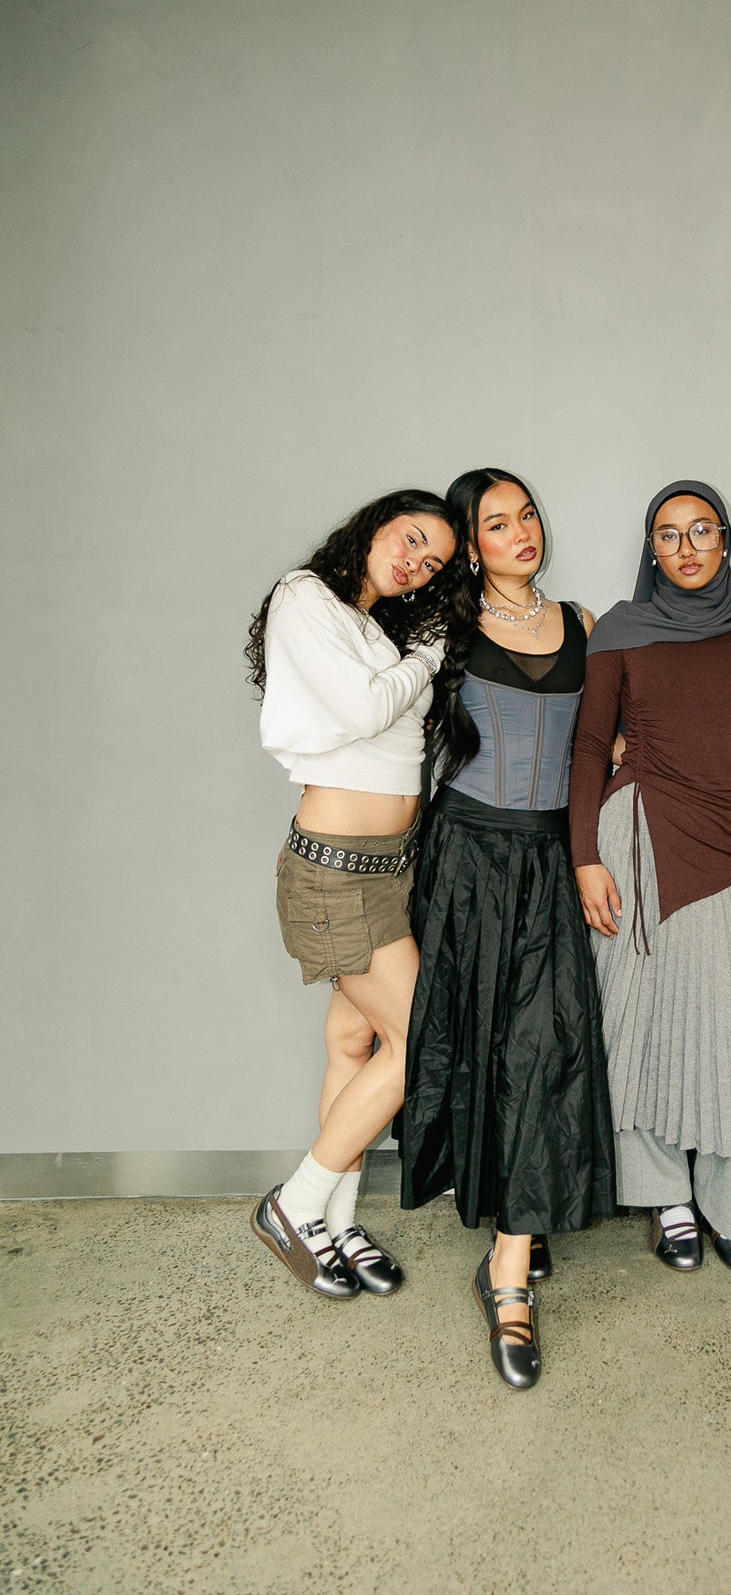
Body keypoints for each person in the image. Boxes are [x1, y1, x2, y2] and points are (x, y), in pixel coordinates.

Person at [399, 469, 616, 1390]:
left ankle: (509, 1267)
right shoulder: (440, 630)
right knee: (480, 1044)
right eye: (497, 523)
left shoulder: (585, 623)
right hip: (466, 857)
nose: (522, 531)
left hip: (551, 861)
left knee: (543, 1047)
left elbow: (610, 737)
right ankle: (513, 1234)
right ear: (469, 543)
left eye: (527, 514)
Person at [245, 490, 474, 1299]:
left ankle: (336, 1226)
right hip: (336, 872)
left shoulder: (374, 628)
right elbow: (366, 707)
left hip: (388, 867)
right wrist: (429, 657)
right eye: (411, 540)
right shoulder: (305, 597)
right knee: (421, 1039)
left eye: (434, 562)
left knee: (354, 1041)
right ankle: (296, 1203)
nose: (417, 564)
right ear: (375, 525)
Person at [570, 481, 731, 1276]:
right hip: (634, 837)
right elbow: (588, 746)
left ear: (725, 540)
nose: (687, 547)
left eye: (702, 531)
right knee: (636, 1022)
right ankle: (666, 1199)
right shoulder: (621, 631)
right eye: (668, 535)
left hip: (727, 846)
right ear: (653, 550)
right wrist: (584, 859)